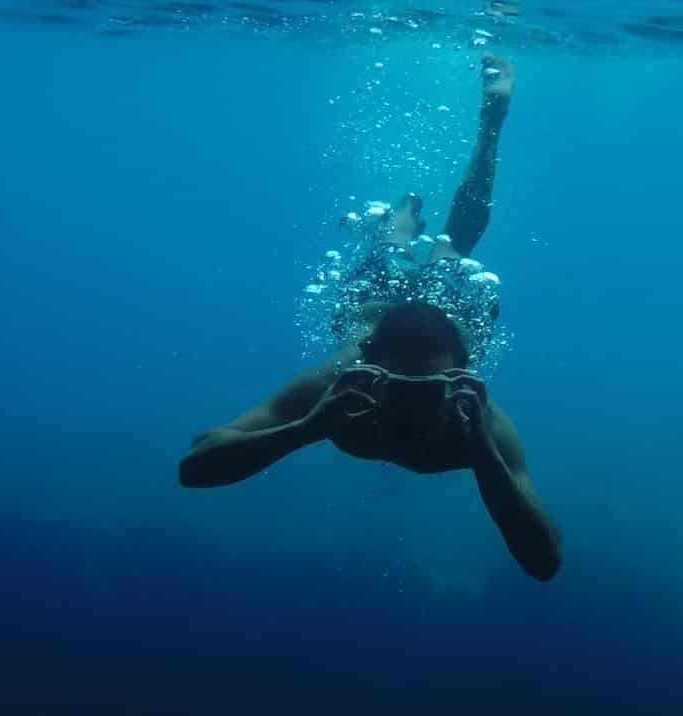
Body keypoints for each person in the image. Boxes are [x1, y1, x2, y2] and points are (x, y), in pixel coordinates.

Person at [178, 53, 561, 582]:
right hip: (379, 318)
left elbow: (545, 562)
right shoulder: (340, 387)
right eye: (396, 385)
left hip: (423, 317)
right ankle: (404, 223)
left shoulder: (476, 421)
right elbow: (194, 469)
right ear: (367, 365)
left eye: (428, 388)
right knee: (437, 252)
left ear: (460, 377)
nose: (408, 403)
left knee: (432, 254)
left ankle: (453, 167)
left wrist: (483, 453)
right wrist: (304, 429)